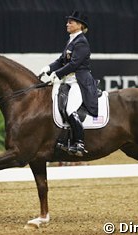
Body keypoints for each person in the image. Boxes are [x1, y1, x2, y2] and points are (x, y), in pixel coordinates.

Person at [40, 11, 98, 156]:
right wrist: (48, 68)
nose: (67, 24)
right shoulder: (72, 41)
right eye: (68, 22)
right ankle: (64, 138)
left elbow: (74, 64)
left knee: (70, 109)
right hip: (69, 82)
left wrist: (57, 73)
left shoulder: (82, 42)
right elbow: (61, 60)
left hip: (80, 82)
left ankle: (79, 143)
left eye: (71, 22)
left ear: (79, 25)